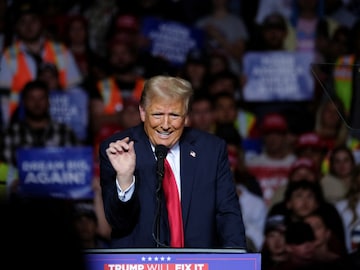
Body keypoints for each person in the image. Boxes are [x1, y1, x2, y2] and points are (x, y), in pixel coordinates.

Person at [99, 75, 247, 248]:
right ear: (142, 112)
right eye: (158, 114)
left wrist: (237, 260)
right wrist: (125, 178)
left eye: (174, 115)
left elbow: (228, 214)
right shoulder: (118, 149)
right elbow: (118, 222)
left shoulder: (211, 150)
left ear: (186, 117)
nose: (165, 124)